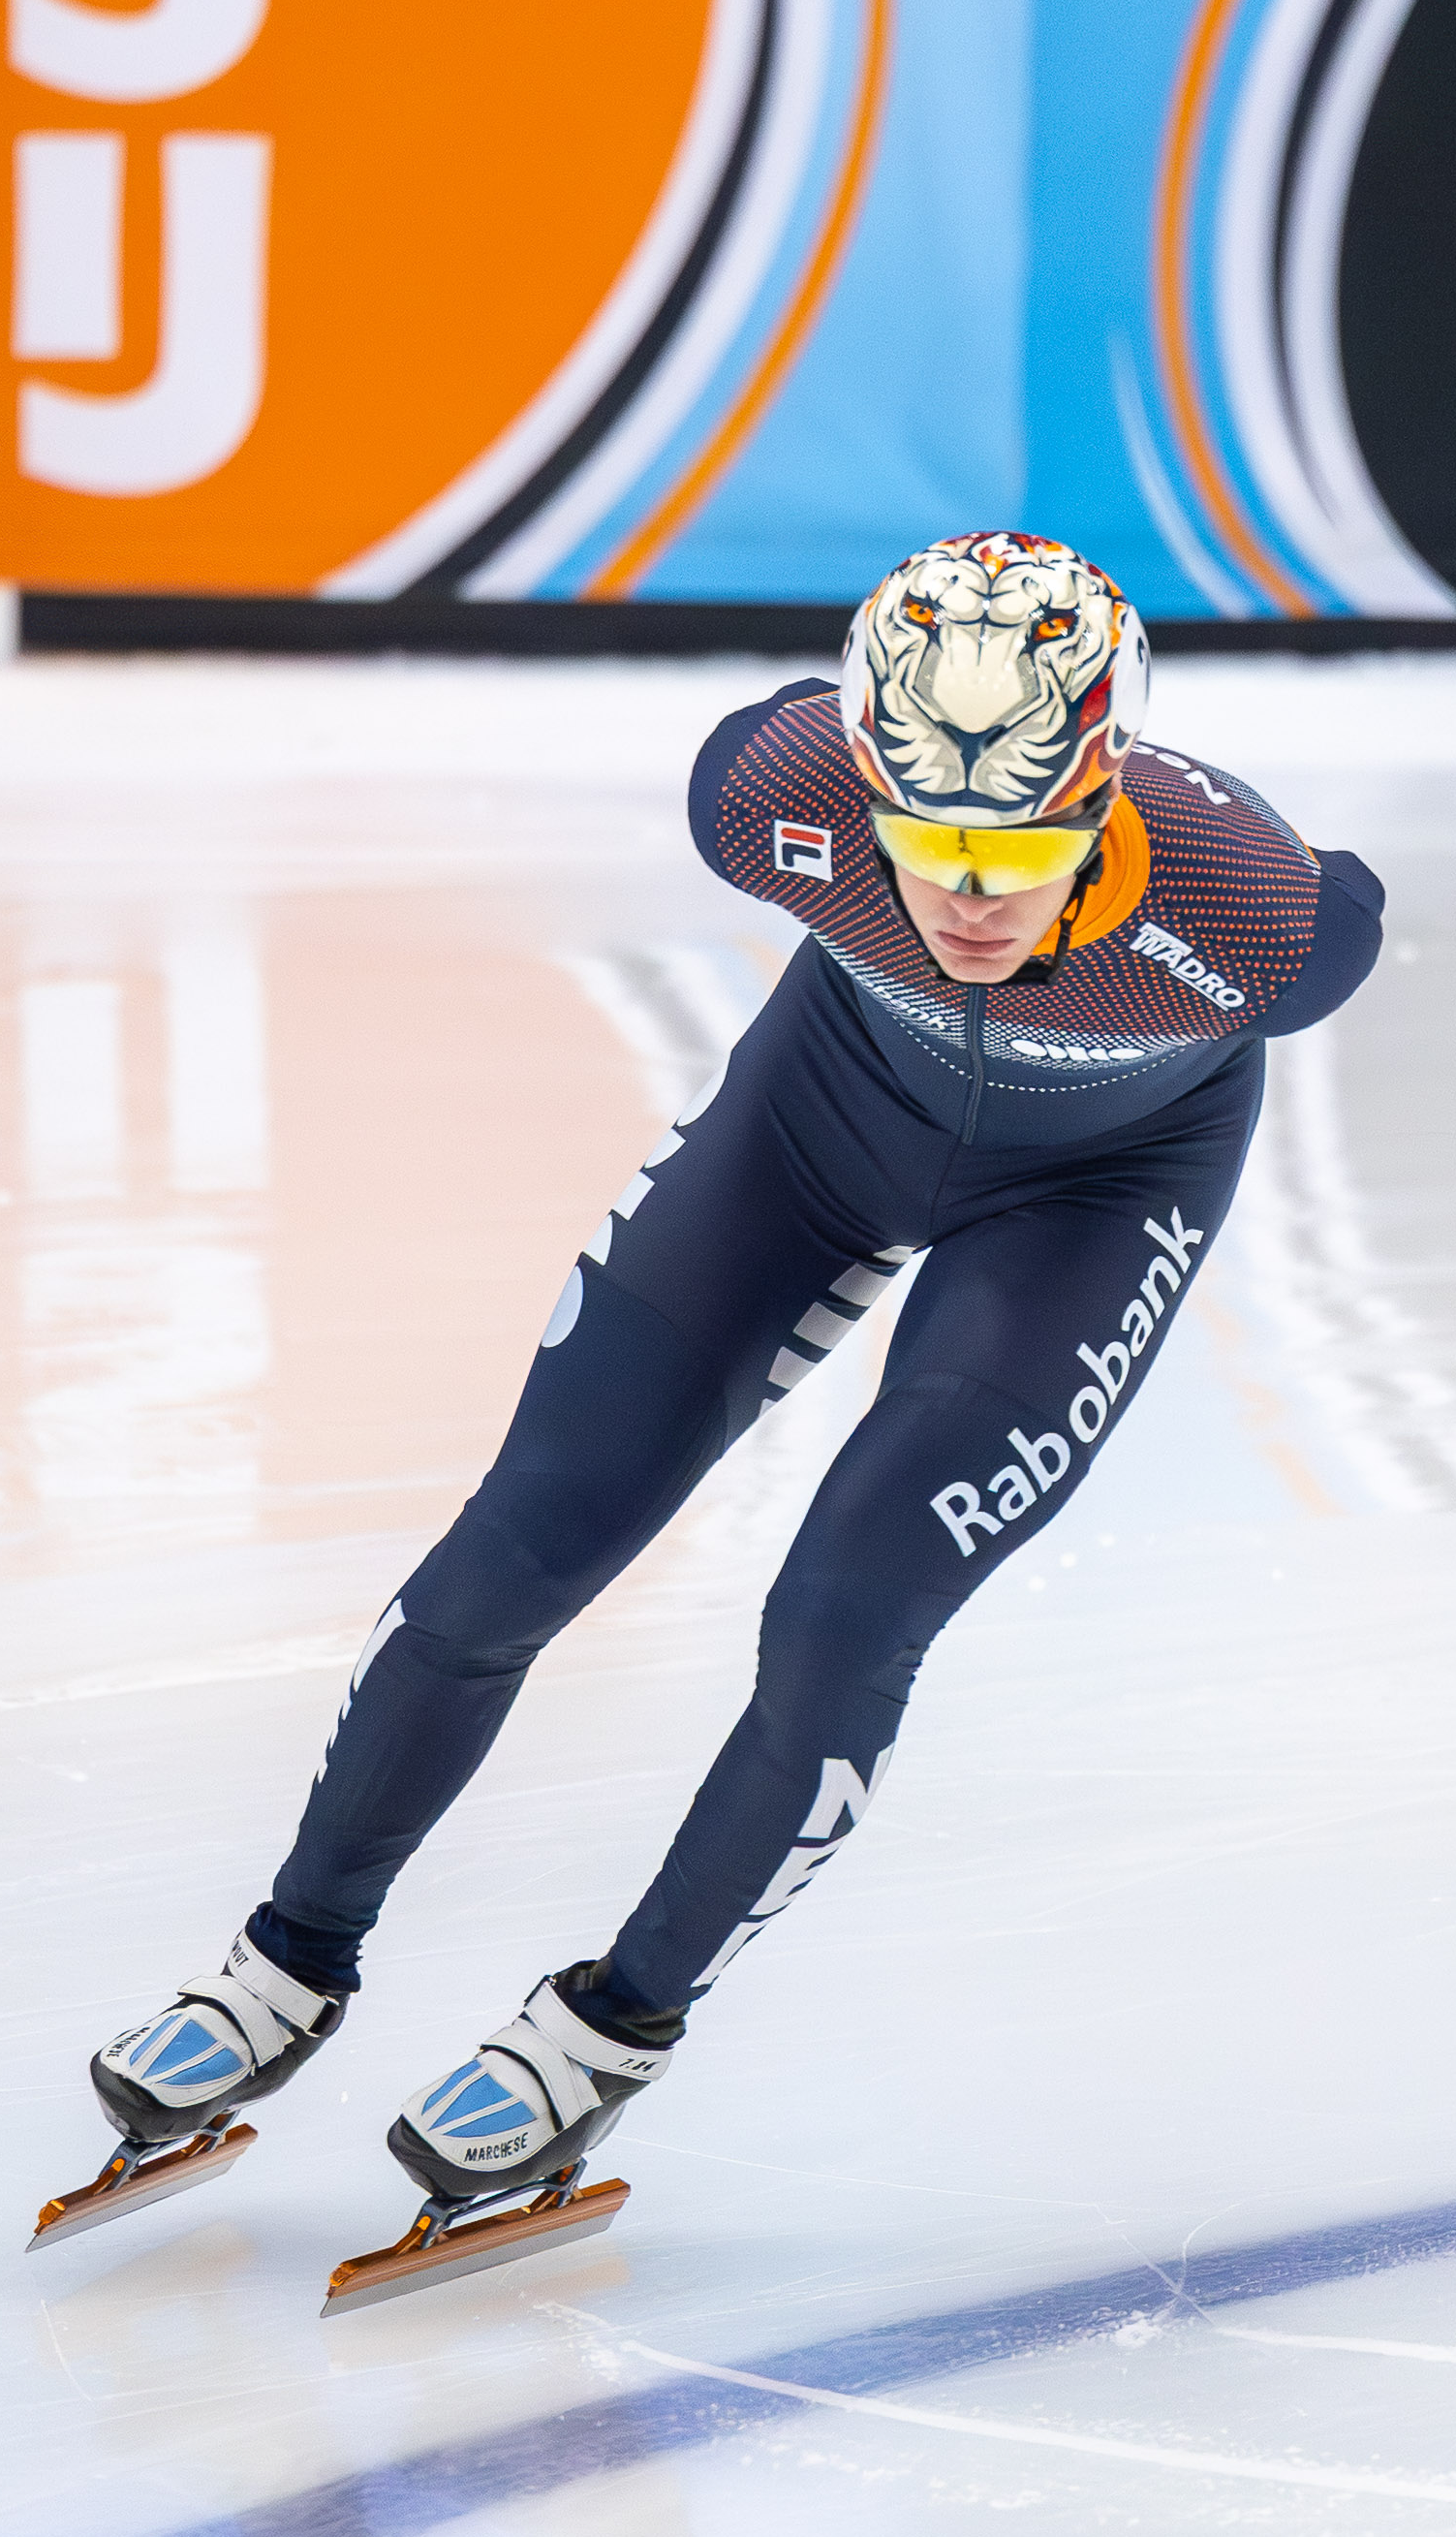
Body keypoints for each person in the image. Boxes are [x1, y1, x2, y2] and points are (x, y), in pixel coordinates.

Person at [80, 531, 1383, 2237]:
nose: (967, 895)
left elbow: (1349, 903)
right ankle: (287, 1959)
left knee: (841, 1617)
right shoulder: (765, 796)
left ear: (1104, 787)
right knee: (513, 1554)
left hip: (1091, 1199)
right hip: (815, 1131)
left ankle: (611, 2025)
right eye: (925, 841)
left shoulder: (1255, 918)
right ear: (863, 786)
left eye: (1017, 844)